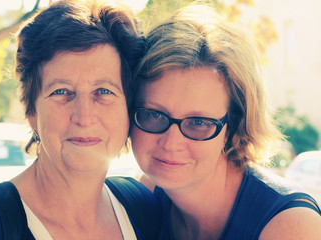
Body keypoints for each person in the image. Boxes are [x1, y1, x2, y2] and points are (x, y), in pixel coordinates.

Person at [130, 4, 321, 240]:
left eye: (198, 122)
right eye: (154, 115)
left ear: (233, 127)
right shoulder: (148, 194)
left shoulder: (292, 227)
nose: (171, 143)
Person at [0, 1, 161, 239]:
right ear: (32, 113)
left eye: (104, 91)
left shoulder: (143, 209)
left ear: (128, 109)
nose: (84, 117)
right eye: (61, 92)